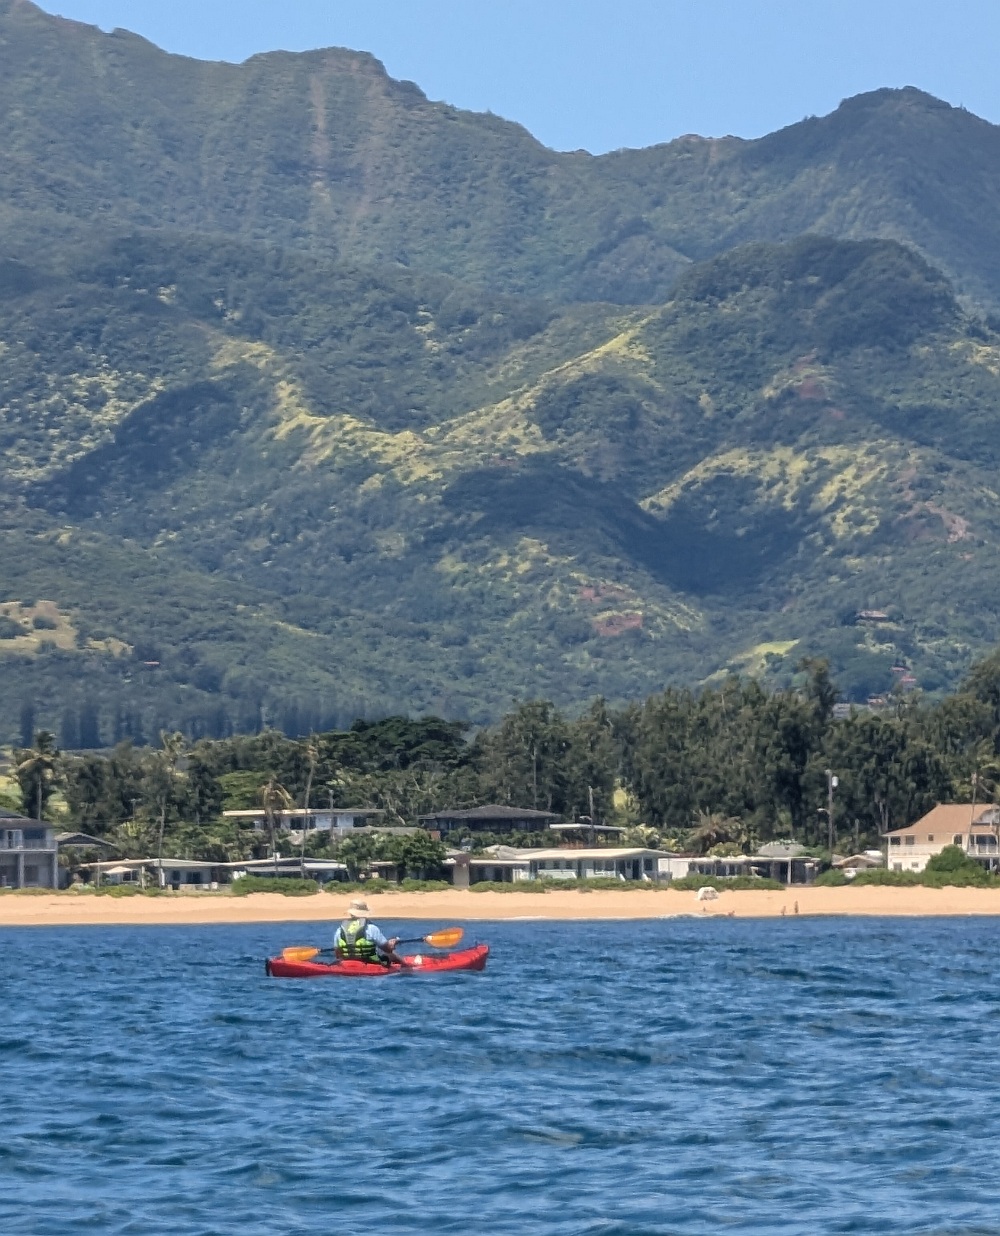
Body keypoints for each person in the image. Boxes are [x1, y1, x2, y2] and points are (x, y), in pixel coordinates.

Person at [334, 899, 406, 966]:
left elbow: (337, 955)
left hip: (346, 963)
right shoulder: (371, 928)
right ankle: (406, 966)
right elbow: (387, 950)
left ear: (351, 914)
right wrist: (391, 944)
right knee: (390, 954)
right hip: (369, 962)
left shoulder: (339, 930)